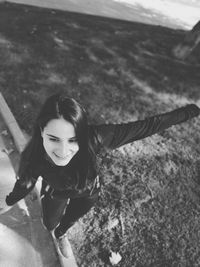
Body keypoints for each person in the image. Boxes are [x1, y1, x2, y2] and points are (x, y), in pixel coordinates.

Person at [2, 93, 200, 258]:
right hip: (56, 192)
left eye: (73, 140)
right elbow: (26, 182)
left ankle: (62, 234)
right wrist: (10, 200)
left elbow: (148, 126)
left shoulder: (95, 138)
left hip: (88, 193)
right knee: (49, 223)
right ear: (41, 130)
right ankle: (55, 228)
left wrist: (191, 111)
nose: (63, 151)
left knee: (67, 222)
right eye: (54, 139)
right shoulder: (34, 156)